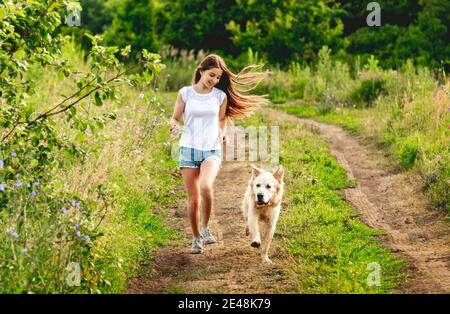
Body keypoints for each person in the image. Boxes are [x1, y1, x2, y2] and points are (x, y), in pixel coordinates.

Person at [169, 54, 270, 254]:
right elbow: (174, 118)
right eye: (211, 75)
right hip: (188, 148)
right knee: (193, 199)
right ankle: (196, 237)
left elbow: (222, 120)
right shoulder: (185, 93)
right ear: (201, 71)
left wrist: (222, 134)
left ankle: (205, 228)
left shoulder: (219, 96)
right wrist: (173, 127)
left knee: (206, 186)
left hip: (211, 148)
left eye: (217, 78)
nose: (214, 80)